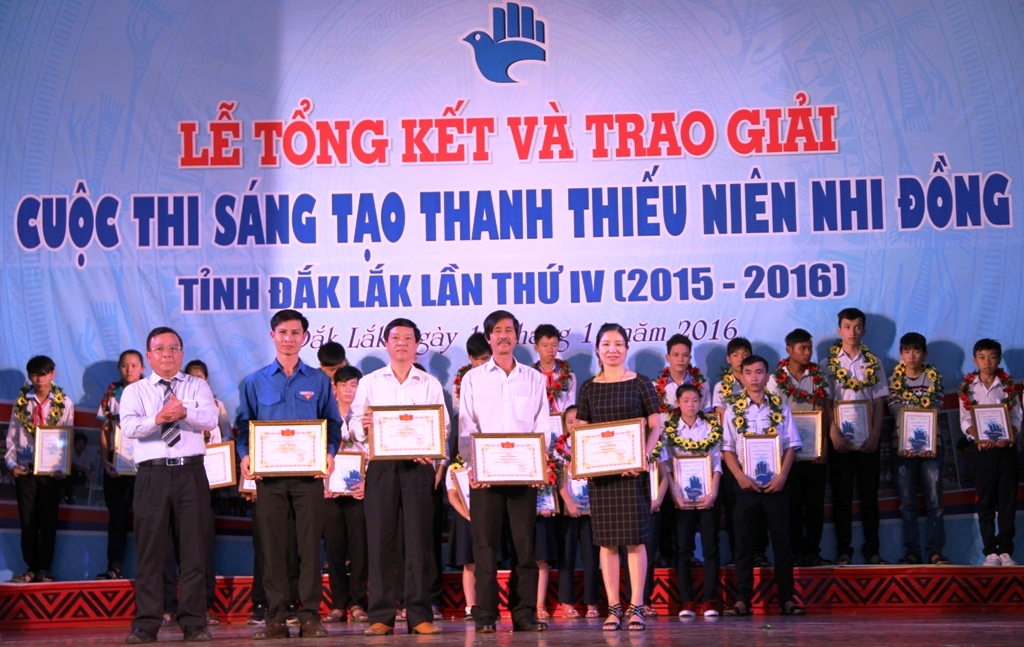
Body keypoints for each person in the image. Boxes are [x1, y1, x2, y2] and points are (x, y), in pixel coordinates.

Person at [237, 309, 343, 640]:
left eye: (295, 333)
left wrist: (329, 454)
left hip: (308, 479)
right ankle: (276, 617)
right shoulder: (255, 381)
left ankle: (309, 615)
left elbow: (333, 424)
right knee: (273, 549)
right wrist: (244, 456)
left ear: (304, 338)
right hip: (268, 480)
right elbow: (243, 427)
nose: (289, 338)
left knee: (309, 548)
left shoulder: (318, 381)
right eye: (283, 332)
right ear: (273, 336)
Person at [120, 327, 219, 644]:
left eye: (173, 348)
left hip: (191, 473)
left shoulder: (197, 385)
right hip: (153, 475)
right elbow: (130, 427)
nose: (167, 354)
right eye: (160, 349)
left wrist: (184, 411)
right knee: (150, 552)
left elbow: (210, 419)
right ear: (149, 356)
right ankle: (146, 624)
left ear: (182, 353)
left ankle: (194, 623)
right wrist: (160, 417)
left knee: (194, 551)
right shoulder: (135, 391)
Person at [351, 318, 447, 636]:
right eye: (396, 337)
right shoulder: (370, 382)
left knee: (419, 542)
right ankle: (381, 616)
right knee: (381, 542)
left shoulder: (429, 384)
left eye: (408, 338)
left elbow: (443, 426)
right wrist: (363, 425)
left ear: (417, 344)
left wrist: (432, 451)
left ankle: (419, 615)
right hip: (381, 467)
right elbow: (351, 423)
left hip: (418, 467)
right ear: (386, 344)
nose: (402, 342)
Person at [458, 310, 549, 634]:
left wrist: (538, 465)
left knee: (525, 548)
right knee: (485, 547)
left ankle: (524, 613)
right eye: (497, 330)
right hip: (486, 478)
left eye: (509, 330)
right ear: (488, 338)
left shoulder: (534, 379)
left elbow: (542, 426)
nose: (503, 336)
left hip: (524, 475)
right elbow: (466, 427)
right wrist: (473, 467)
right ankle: (485, 615)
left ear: (517, 336)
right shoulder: (473, 379)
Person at [574, 323, 661, 631]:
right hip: (602, 477)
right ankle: (613, 608)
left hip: (632, 474)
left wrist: (642, 457)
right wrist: (585, 460)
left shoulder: (640, 382)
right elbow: (582, 429)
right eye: (606, 344)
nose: (612, 349)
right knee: (607, 543)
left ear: (627, 348)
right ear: (597, 349)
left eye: (619, 344)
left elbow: (656, 424)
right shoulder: (588, 387)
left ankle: (636, 606)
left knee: (635, 541)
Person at [721, 356, 805, 617]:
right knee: (743, 545)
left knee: (782, 543)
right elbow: (727, 449)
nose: (754, 377)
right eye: (748, 372)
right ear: (742, 376)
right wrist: (739, 477)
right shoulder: (733, 410)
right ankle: (742, 600)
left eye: (759, 372)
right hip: (745, 486)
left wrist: (782, 477)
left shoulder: (780, 407)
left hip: (775, 486)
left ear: (767, 376)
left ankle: (787, 599)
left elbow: (791, 446)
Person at [826, 308, 889, 565]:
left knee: (869, 496)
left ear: (863, 330)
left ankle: (873, 551)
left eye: (857, 327)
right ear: (839, 330)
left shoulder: (874, 363)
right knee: (841, 497)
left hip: (867, 440)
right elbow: (826, 401)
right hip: (840, 440)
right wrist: (832, 433)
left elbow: (879, 402)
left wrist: (875, 434)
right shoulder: (828, 364)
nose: (852, 332)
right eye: (847, 326)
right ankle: (844, 551)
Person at [6, 355, 75, 584]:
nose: (39, 379)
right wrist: (12, 464)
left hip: (51, 471)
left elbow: (67, 436)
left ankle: (45, 568)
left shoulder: (64, 403)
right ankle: (30, 568)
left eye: (44, 374)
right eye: (35, 374)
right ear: (29, 376)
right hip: (25, 469)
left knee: (48, 520)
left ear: (53, 374)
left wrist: (62, 466)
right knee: (27, 521)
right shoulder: (21, 403)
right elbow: (12, 438)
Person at [766, 329, 831, 567]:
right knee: (791, 505)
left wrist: (822, 446)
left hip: (813, 450)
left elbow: (821, 410)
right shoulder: (775, 379)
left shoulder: (817, 375)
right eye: (802, 348)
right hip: (787, 453)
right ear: (789, 350)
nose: (807, 353)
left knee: (814, 505)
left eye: (809, 348)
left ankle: (813, 552)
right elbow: (773, 416)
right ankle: (794, 553)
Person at [958, 338, 1022, 566]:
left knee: (1006, 501)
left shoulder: (1007, 386)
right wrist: (978, 436)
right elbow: (965, 421)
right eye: (982, 357)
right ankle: (990, 552)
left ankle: (1005, 550)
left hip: (1005, 451)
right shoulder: (968, 388)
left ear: (999, 359)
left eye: (992, 357)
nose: (987, 362)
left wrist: (1009, 434)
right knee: (985, 501)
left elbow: (1017, 417)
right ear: (975, 360)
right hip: (981, 452)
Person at [889, 333, 948, 565]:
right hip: (903, 446)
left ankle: (936, 551)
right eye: (906, 351)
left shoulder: (934, 378)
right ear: (901, 354)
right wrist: (908, 440)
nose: (911, 356)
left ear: (924, 353)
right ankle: (912, 552)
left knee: (935, 502)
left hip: (932, 446)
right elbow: (895, 409)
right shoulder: (894, 379)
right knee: (907, 503)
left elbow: (936, 407)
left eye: (916, 350)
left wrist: (925, 442)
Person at [665, 384, 722, 618]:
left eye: (695, 400)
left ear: (701, 402)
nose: (691, 405)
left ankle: (709, 600)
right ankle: (686, 601)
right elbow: (667, 467)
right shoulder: (669, 430)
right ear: (677, 403)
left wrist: (713, 494)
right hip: (681, 498)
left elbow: (717, 464)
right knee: (683, 549)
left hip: (707, 495)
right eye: (686, 400)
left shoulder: (710, 428)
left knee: (711, 547)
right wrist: (675, 496)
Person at [322, 366, 370, 624]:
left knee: (360, 548)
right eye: (344, 385)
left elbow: (375, 453)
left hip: (358, 491)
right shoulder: (325, 417)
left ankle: (358, 602)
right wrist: (322, 482)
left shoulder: (365, 418)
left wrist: (367, 482)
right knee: (334, 548)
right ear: (335, 388)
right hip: (330, 492)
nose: (349, 390)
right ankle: (338, 603)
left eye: (354, 385)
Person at [96, 349, 145, 580]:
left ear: (142, 368)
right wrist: (106, 460)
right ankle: (114, 567)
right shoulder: (111, 394)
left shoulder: (152, 391)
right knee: (117, 517)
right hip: (117, 465)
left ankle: (149, 570)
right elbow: (105, 429)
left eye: (134, 365)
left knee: (148, 519)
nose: (129, 370)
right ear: (119, 368)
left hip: (144, 466)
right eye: (125, 365)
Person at [555, 405, 600, 619]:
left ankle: (592, 602)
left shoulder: (595, 444)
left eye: (578, 420)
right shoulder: (559, 449)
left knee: (591, 556)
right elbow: (558, 478)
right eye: (570, 421)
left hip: (592, 510)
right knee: (567, 556)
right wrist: (569, 503)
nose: (574, 425)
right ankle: (566, 602)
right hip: (568, 510)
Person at [712, 337, 754, 564]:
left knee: (757, 506)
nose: (740, 359)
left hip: (756, 454)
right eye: (736, 355)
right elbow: (720, 420)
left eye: (745, 354)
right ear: (729, 359)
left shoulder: (758, 382)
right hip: (731, 455)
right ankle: (737, 555)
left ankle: (758, 554)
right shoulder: (721, 387)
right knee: (733, 507)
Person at [445, 458, 476, 621]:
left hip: (486, 516)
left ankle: (487, 604)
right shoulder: (455, 467)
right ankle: (470, 606)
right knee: (469, 562)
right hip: (465, 518)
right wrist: (467, 515)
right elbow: (452, 496)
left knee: (487, 561)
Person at [655, 334, 710, 414]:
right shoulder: (655, 387)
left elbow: (708, 414)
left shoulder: (702, 385)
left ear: (690, 358)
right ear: (667, 357)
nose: (680, 359)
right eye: (676, 355)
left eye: (685, 355)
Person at [533, 323, 577, 414]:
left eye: (554, 345)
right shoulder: (530, 376)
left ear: (558, 346)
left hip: (562, 420)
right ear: (536, 348)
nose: (550, 350)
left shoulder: (568, 375)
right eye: (545, 345)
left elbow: (570, 404)